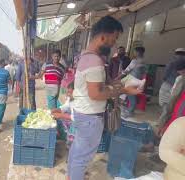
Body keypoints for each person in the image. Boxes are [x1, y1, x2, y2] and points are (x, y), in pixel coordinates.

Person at [67, 16, 141, 180]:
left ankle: (70, 176)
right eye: (113, 38)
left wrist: (117, 84)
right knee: (82, 157)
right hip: (90, 118)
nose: (114, 43)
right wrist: (124, 91)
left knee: (77, 151)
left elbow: (96, 87)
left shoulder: (85, 56)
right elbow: (96, 94)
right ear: (103, 37)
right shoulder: (94, 60)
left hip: (82, 113)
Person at [159, 48, 185, 125]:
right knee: (172, 108)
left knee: (166, 107)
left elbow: (165, 75)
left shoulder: (172, 63)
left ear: (176, 54)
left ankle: (161, 125)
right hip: (178, 88)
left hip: (169, 85)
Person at [119, 46, 147, 118]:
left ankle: (129, 112)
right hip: (138, 80)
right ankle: (129, 110)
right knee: (130, 96)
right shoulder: (144, 61)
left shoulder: (135, 61)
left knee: (131, 97)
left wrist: (118, 77)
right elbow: (144, 73)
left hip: (131, 81)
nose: (134, 53)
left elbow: (126, 71)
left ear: (137, 52)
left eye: (134, 51)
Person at [51, 82, 76, 149]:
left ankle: (71, 145)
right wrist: (55, 110)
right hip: (72, 119)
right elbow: (66, 106)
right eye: (67, 92)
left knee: (73, 128)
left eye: (70, 92)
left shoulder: (79, 102)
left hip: (78, 123)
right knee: (59, 120)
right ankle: (65, 137)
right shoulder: (70, 98)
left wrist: (60, 115)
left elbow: (75, 117)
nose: (68, 94)